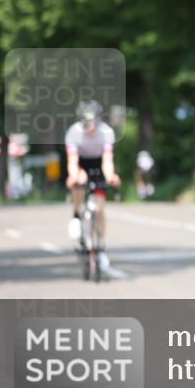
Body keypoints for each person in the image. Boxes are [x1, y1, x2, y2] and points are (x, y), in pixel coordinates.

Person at [65, 100, 121, 271]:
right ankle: (76, 215)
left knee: (99, 208)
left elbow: (107, 161)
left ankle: (102, 248)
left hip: (98, 164)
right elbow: (73, 161)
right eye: (86, 123)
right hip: (82, 164)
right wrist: (73, 176)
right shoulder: (73, 133)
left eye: (92, 123)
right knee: (79, 181)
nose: (89, 127)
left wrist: (111, 176)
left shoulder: (106, 132)